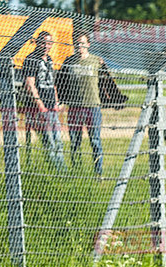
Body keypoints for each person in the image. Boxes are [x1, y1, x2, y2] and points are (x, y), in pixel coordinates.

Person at [61, 32, 105, 175]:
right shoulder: (69, 61)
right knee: (74, 141)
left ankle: (98, 173)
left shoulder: (96, 61)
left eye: (83, 43)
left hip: (92, 106)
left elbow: (106, 81)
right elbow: (61, 82)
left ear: (88, 44)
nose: (80, 45)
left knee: (95, 140)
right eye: (77, 43)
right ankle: (76, 170)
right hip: (74, 107)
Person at [23, 31, 67, 171]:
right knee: (49, 140)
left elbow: (52, 83)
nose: (46, 46)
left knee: (58, 139)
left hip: (52, 106)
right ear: (37, 42)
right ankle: (55, 170)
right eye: (43, 42)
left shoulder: (50, 60)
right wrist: (40, 104)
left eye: (49, 43)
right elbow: (30, 84)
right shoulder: (31, 59)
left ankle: (61, 169)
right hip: (40, 107)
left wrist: (56, 101)